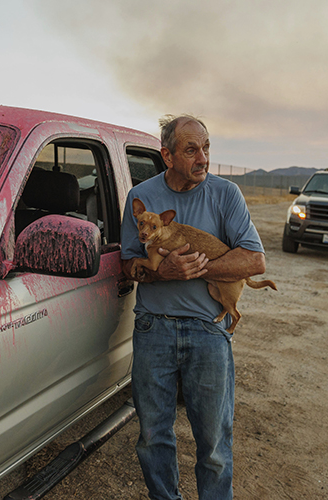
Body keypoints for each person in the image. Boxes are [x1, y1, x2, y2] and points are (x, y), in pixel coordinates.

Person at [120, 115, 267, 500]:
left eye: (206, 148)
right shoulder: (143, 199)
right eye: (191, 150)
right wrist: (163, 272)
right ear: (167, 156)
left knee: (214, 443)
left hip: (208, 332)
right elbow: (128, 263)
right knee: (152, 435)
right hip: (154, 328)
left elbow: (255, 262)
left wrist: (194, 269)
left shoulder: (226, 194)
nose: (202, 158)